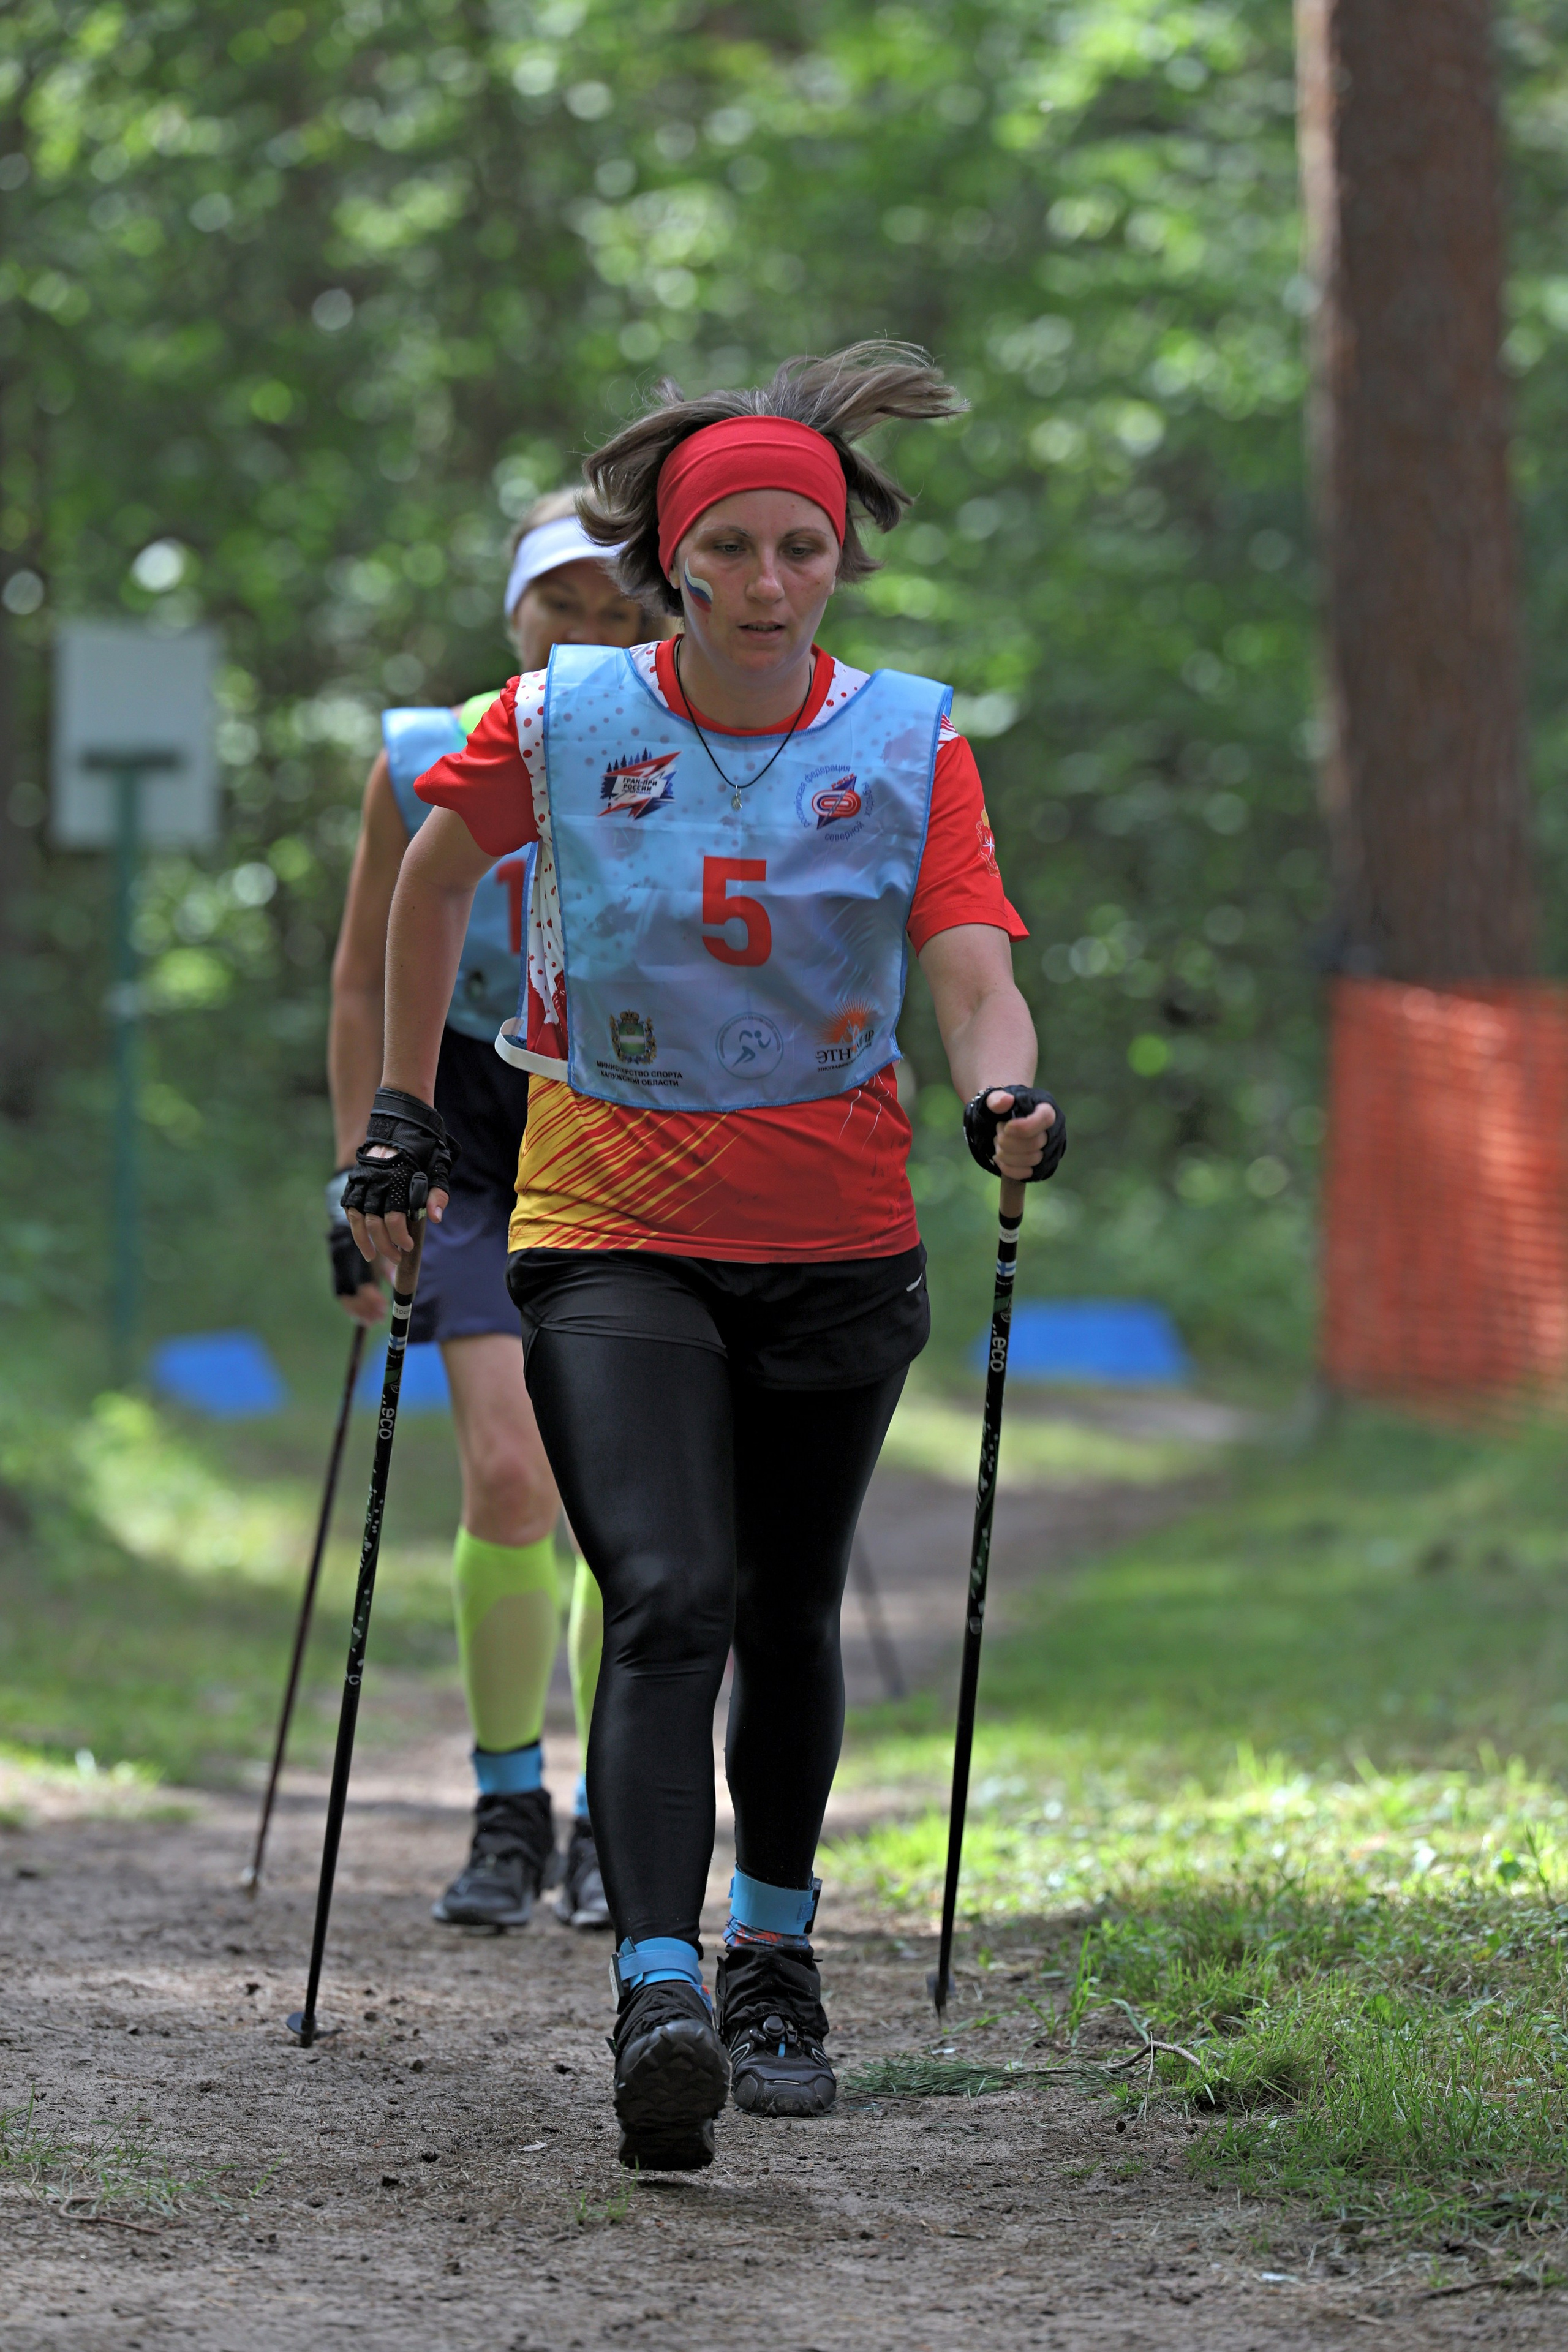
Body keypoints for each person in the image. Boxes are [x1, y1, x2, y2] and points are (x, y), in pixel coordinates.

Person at [343, 344, 1065, 2170]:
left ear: (839, 564)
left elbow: (969, 960)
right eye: (729, 550)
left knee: (786, 1607)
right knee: (667, 1590)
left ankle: (777, 1958)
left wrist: (1002, 1095)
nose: (764, 586)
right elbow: (433, 884)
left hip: (835, 1236)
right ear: (674, 564)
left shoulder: (910, 740)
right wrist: (402, 1113)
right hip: (610, 1229)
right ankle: (659, 1989)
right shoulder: (573, 718)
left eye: (798, 553)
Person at [327, 489, 665, 1934]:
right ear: (512, 610)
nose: (586, 636)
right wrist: (359, 1174)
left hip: (619, 1120)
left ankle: (610, 1813)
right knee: (510, 1475)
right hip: (457, 1122)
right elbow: (357, 981)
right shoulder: (421, 757)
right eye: (559, 607)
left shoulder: (687, 745)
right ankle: (507, 1805)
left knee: (620, 1503)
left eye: (616, 610)